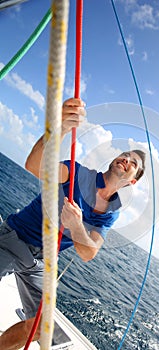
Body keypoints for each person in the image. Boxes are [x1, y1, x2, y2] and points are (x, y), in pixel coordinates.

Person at [0, 97, 146, 350]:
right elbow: (33, 166)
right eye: (125, 155)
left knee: (40, 326)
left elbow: (89, 252)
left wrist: (76, 226)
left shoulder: (111, 212)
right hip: (15, 239)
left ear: (132, 181)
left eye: (134, 164)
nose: (126, 160)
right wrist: (60, 127)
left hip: (42, 262)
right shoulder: (76, 173)